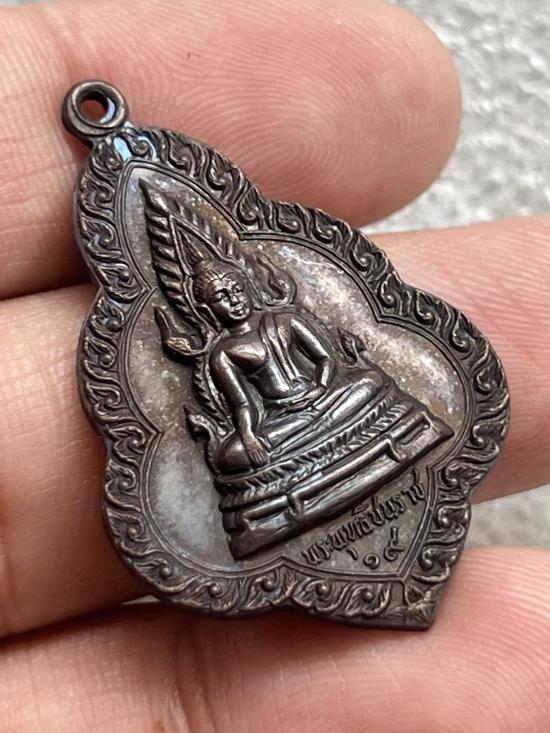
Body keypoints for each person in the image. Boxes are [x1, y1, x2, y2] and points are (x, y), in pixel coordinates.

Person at [0, 0, 548, 730]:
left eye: (234, 289)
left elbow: (329, 370)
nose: (228, 301)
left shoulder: (288, 317)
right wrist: (250, 436)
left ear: (250, 282)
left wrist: (332, 388)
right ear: (201, 307)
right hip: (284, 436)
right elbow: (241, 412)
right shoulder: (223, 351)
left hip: (330, 409)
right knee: (239, 457)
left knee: (363, 390)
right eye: (215, 299)